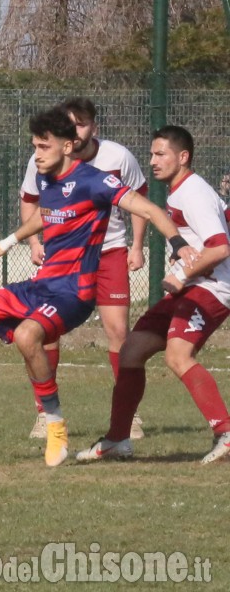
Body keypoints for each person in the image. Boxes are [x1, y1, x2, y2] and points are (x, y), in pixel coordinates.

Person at [0, 107, 197, 467]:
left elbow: (148, 209)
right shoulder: (45, 179)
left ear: (68, 146)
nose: (36, 153)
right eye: (34, 145)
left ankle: (54, 425)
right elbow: (46, 213)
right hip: (42, 285)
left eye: (44, 146)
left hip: (74, 292)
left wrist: (179, 245)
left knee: (27, 336)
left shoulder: (96, 181)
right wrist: (7, 242)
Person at [77, 126, 230, 465]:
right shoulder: (182, 190)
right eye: (151, 154)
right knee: (132, 350)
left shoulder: (193, 193)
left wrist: (181, 274)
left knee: (178, 355)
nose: (153, 161)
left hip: (211, 289)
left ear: (183, 157)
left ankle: (226, 432)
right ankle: (118, 439)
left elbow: (220, 248)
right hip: (193, 286)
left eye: (160, 154)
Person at [20, 97, 149, 440]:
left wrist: (136, 246)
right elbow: (29, 200)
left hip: (109, 253)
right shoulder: (44, 157)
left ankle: (129, 416)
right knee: (44, 331)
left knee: (119, 332)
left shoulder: (118, 157)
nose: (75, 131)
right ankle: (45, 414)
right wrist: (35, 244)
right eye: (69, 124)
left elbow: (139, 199)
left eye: (81, 124)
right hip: (64, 257)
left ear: (95, 127)